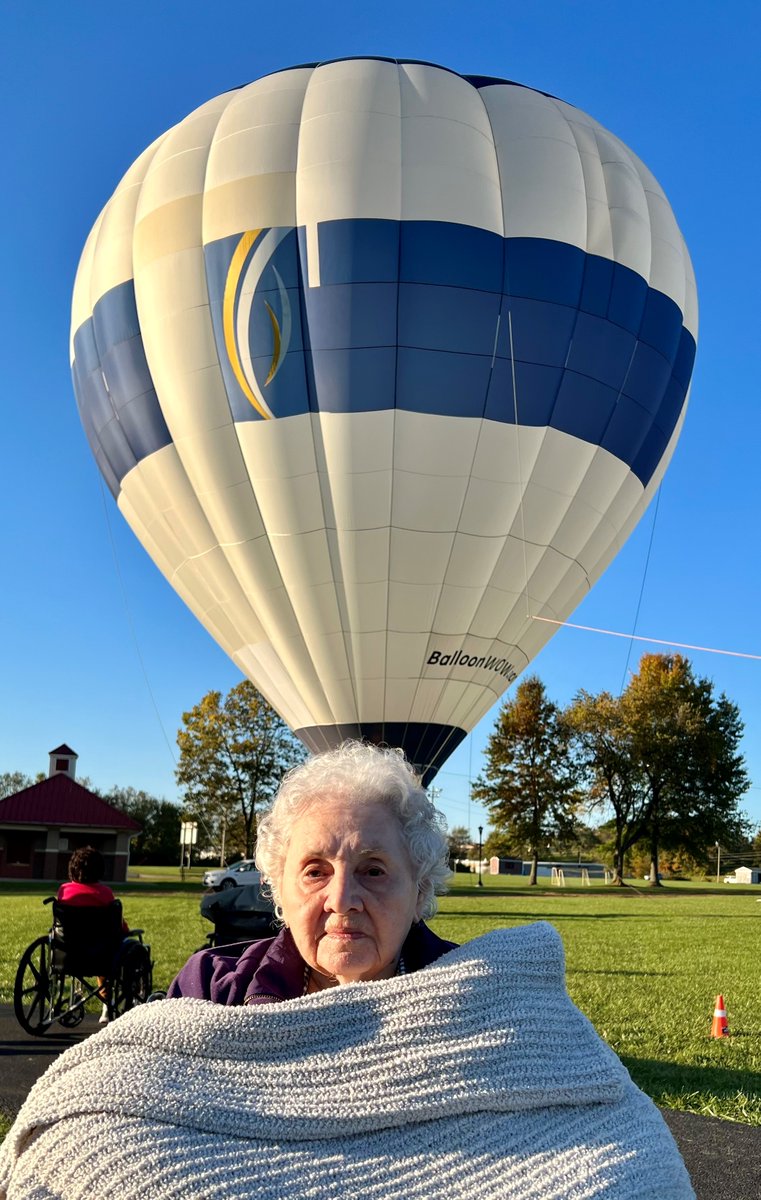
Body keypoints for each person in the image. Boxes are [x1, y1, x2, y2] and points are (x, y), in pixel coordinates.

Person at [0, 743, 695, 1199]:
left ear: (419, 887)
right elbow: (113, 1103)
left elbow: (615, 1143)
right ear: (278, 887)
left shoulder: (483, 998)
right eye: (314, 871)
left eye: (372, 870)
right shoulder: (213, 987)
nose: (341, 901)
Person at [57, 845, 128, 1022]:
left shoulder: (64, 891)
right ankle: (107, 1004)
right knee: (108, 949)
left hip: (68, 955)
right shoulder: (105, 894)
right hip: (100, 955)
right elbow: (117, 928)